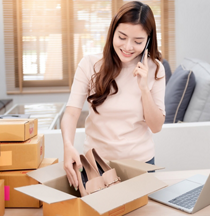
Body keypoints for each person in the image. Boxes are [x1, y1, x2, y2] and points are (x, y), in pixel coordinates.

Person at [61, 1, 165, 191]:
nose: (128, 47)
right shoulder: (90, 64)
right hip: (97, 166)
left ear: (148, 40)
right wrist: (68, 146)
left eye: (138, 41)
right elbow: (71, 114)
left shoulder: (155, 69)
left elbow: (156, 126)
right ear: (112, 32)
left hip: (141, 165)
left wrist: (144, 88)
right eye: (122, 37)